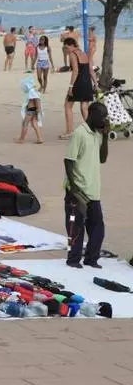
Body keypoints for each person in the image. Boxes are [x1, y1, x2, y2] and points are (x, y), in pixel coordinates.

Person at [64, 102, 109, 269]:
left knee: (98, 228)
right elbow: (68, 161)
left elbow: (102, 159)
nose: (104, 120)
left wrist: (105, 137)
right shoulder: (79, 133)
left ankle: (91, 258)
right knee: (75, 227)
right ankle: (73, 259)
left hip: (93, 190)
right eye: (102, 117)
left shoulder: (98, 134)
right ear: (92, 114)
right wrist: (73, 188)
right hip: (78, 191)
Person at [60, 37, 97, 139]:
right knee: (84, 107)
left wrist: (71, 86)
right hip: (87, 83)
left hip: (78, 83)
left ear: (72, 45)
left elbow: (75, 71)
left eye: (67, 47)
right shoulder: (84, 53)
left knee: (67, 106)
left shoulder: (73, 54)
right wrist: (96, 84)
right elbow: (91, 70)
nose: (66, 50)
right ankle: (91, 130)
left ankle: (69, 131)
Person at [16, 75, 44, 144]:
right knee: (34, 124)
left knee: (25, 124)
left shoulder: (32, 91)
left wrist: (38, 109)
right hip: (34, 110)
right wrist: (38, 110)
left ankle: (21, 139)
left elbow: (37, 99)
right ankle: (39, 138)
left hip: (30, 110)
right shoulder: (33, 91)